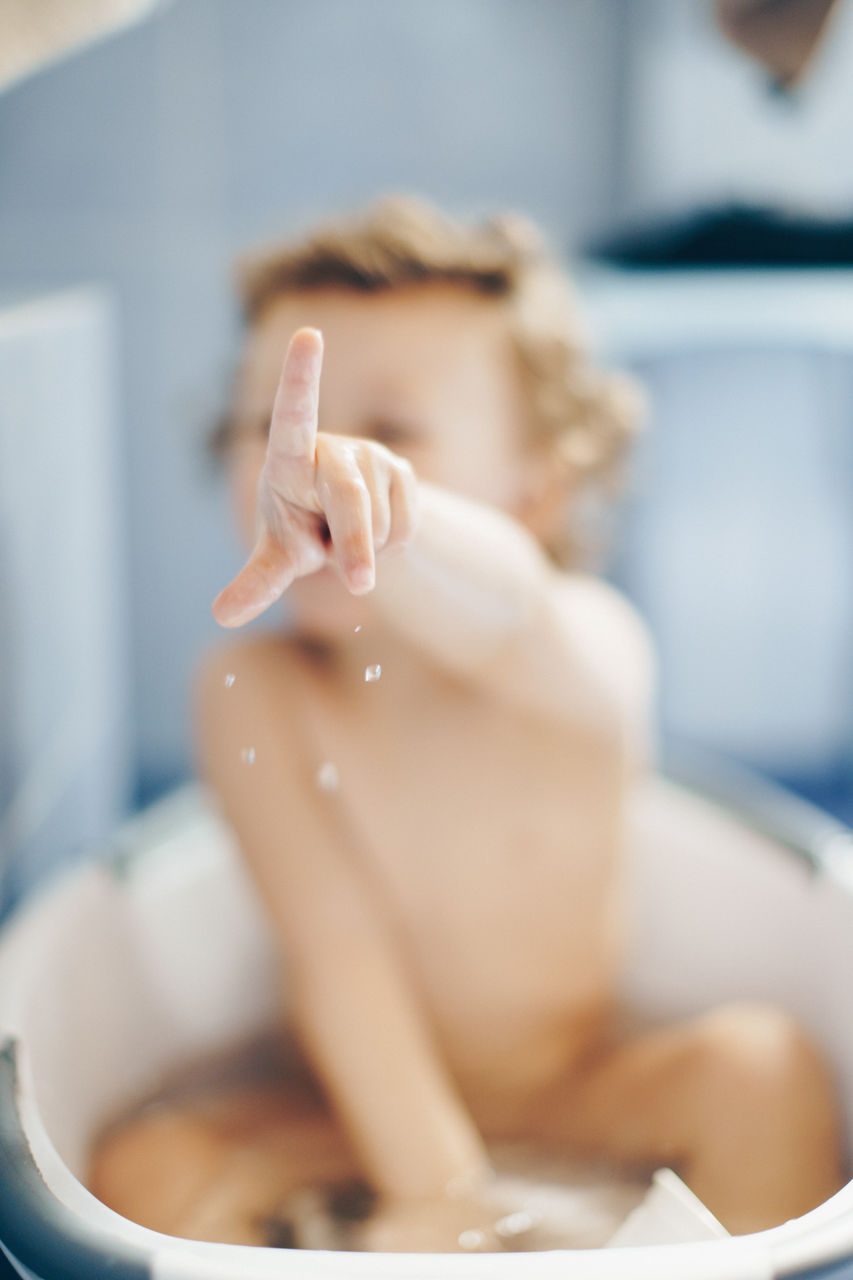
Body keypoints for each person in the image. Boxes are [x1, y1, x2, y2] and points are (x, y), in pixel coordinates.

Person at [90, 196, 843, 1251]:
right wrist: (447, 1202)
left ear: (536, 489)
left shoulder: (582, 651)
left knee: (760, 1070)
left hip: (577, 1091)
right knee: (147, 1164)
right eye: (277, 427)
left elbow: (505, 601)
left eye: (389, 434)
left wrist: (394, 521)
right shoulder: (254, 689)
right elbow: (338, 958)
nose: (312, 471)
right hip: (344, 1109)